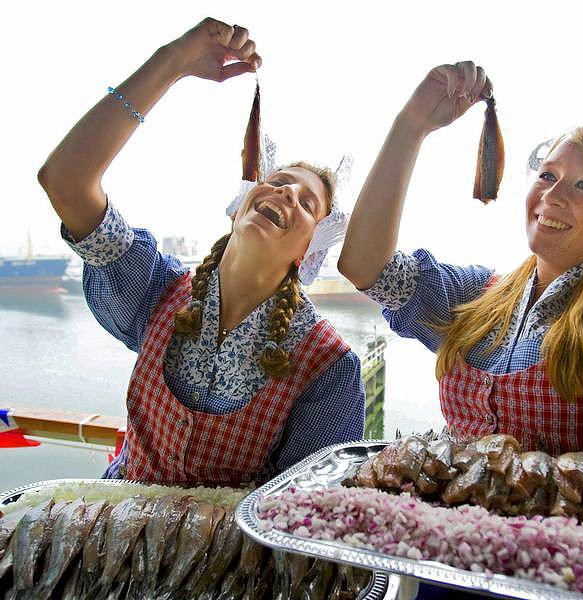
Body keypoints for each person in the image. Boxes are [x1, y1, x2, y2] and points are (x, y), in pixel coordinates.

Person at [338, 63, 583, 476]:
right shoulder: (484, 294)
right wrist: (412, 124)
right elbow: (366, 267)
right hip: (452, 533)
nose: (553, 194)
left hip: (570, 539)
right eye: (548, 174)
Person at [38, 18, 365, 484]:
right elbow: (65, 181)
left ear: (308, 253)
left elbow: (305, 512)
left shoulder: (326, 367)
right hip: (108, 537)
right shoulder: (157, 290)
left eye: (307, 202)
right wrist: (173, 60)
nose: (287, 193)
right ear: (239, 207)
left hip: (223, 558)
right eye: (277, 182)